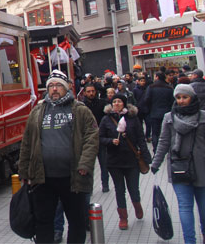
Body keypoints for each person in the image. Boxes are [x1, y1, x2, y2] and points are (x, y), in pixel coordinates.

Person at [18, 70, 99, 244]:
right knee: (43, 222)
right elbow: (27, 143)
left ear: (66, 88)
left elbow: (91, 138)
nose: (54, 89)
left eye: (58, 86)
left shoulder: (80, 110)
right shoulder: (37, 111)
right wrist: (24, 172)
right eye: (51, 86)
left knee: (76, 221)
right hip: (43, 179)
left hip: (73, 177)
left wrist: (85, 164)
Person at [151, 84, 205, 244]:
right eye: (178, 97)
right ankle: (191, 240)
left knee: (192, 208)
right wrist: (155, 163)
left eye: (184, 97)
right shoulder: (200, 117)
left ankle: (191, 241)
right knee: (187, 207)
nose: (181, 101)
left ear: (192, 97)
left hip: (182, 168)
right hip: (190, 169)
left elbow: (163, 142)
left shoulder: (170, 117)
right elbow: (163, 142)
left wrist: (156, 163)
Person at [98, 94, 151, 230]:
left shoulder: (132, 118)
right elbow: (100, 138)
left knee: (133, 188)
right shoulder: (106, 119)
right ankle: (123, 217)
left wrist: (146, 157)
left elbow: (140, 138)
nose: (116, 104)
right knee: (119, 189)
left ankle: (137, 206)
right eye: (114, 101)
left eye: (119, 101)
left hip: (131, 160)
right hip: (114, 161)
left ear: (124, 104)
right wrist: (110, 141)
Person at [82, 83, 109, 193]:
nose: (91, 93)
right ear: (84, 93)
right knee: (88, 165)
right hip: (88, 140)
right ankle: (89, 187)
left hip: (101, 138)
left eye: (92, 91)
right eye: (88, 91)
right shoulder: (81, 106)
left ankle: (105, 185)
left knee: (104, 164)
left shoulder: (103, 103)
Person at [142, 72, 174, 151]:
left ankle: (156, 149)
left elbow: (146, 99)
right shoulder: (169, 88)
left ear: (156, 77)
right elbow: (172, 101)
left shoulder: (151, 87)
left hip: (154, 113)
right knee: (167, 132)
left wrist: (150, 108)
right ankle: (168, 148)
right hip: (167, 113)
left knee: (155, 133)